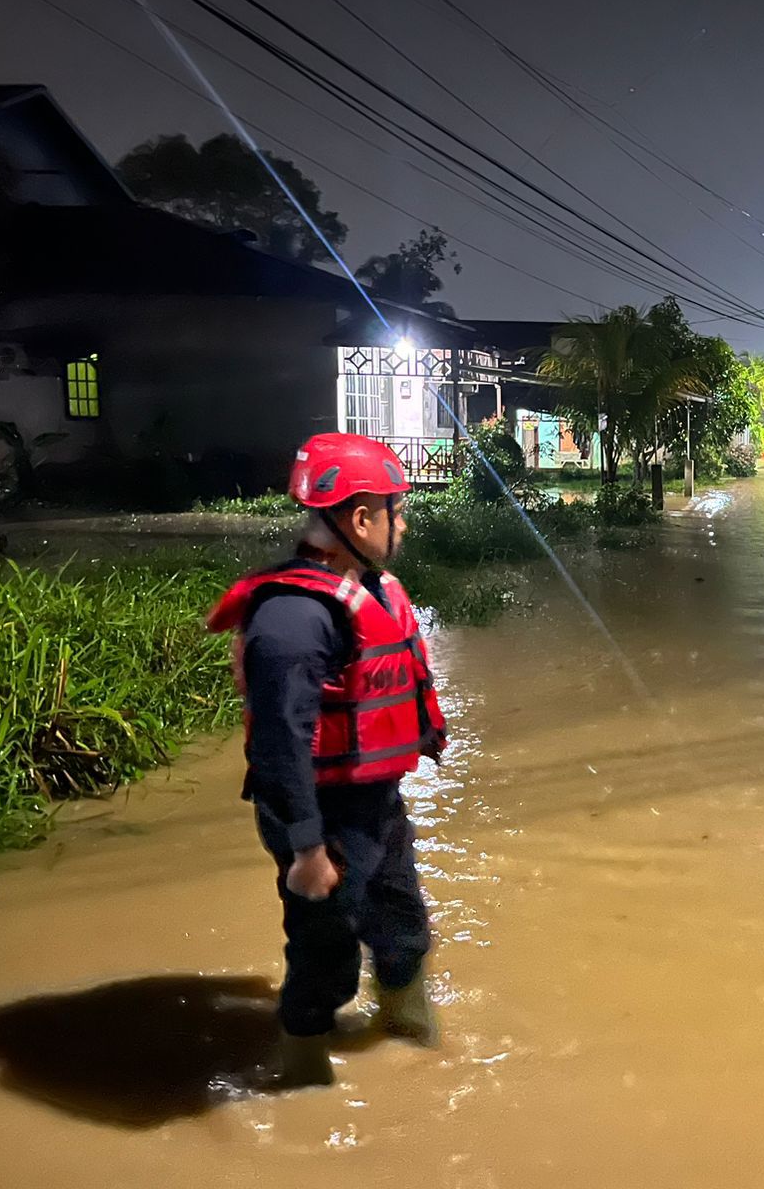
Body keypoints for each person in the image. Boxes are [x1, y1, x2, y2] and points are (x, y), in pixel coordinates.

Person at [206, 433, 447, 1088]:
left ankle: (414, 1037)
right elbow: (280, 744)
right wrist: (308, 850)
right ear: (360, 519)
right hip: (316, 812)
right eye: (394, 512)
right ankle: (302, 1077)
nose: (401, 524)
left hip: (373, 802)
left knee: (403, 930)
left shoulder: (370, 587)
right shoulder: (292, 616)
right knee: (324, 957)